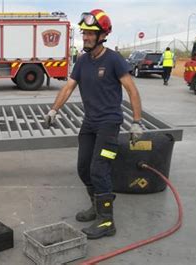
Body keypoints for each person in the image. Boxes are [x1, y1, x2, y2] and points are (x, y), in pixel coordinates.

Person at [44, 9, 145, 240]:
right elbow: (68, 87)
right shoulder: (82, 61)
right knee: (83, 168)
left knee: (99, 169)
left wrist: (137, 122)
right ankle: (97, 206)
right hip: (89, 124)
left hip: (109, 125)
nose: (85, 37)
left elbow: (131, 89)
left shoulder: (114, 60)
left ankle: (107, 221)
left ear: (102, 35)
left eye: (90, 33)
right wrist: (53, 110)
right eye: (84, 33)